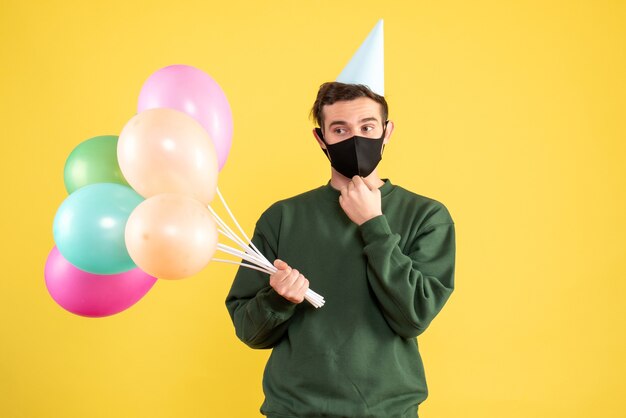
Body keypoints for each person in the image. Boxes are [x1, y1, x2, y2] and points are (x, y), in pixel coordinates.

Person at [225, 81, 456, 418]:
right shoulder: (282, 217)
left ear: (387, 132)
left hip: (386, 411)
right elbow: (249, 332)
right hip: (294, 410)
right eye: (340, 129)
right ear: (322, 139)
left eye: (367, 127)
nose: (355, 139)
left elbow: (414, 317)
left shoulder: (427, 216)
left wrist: (373, 223)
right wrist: (278, 300)